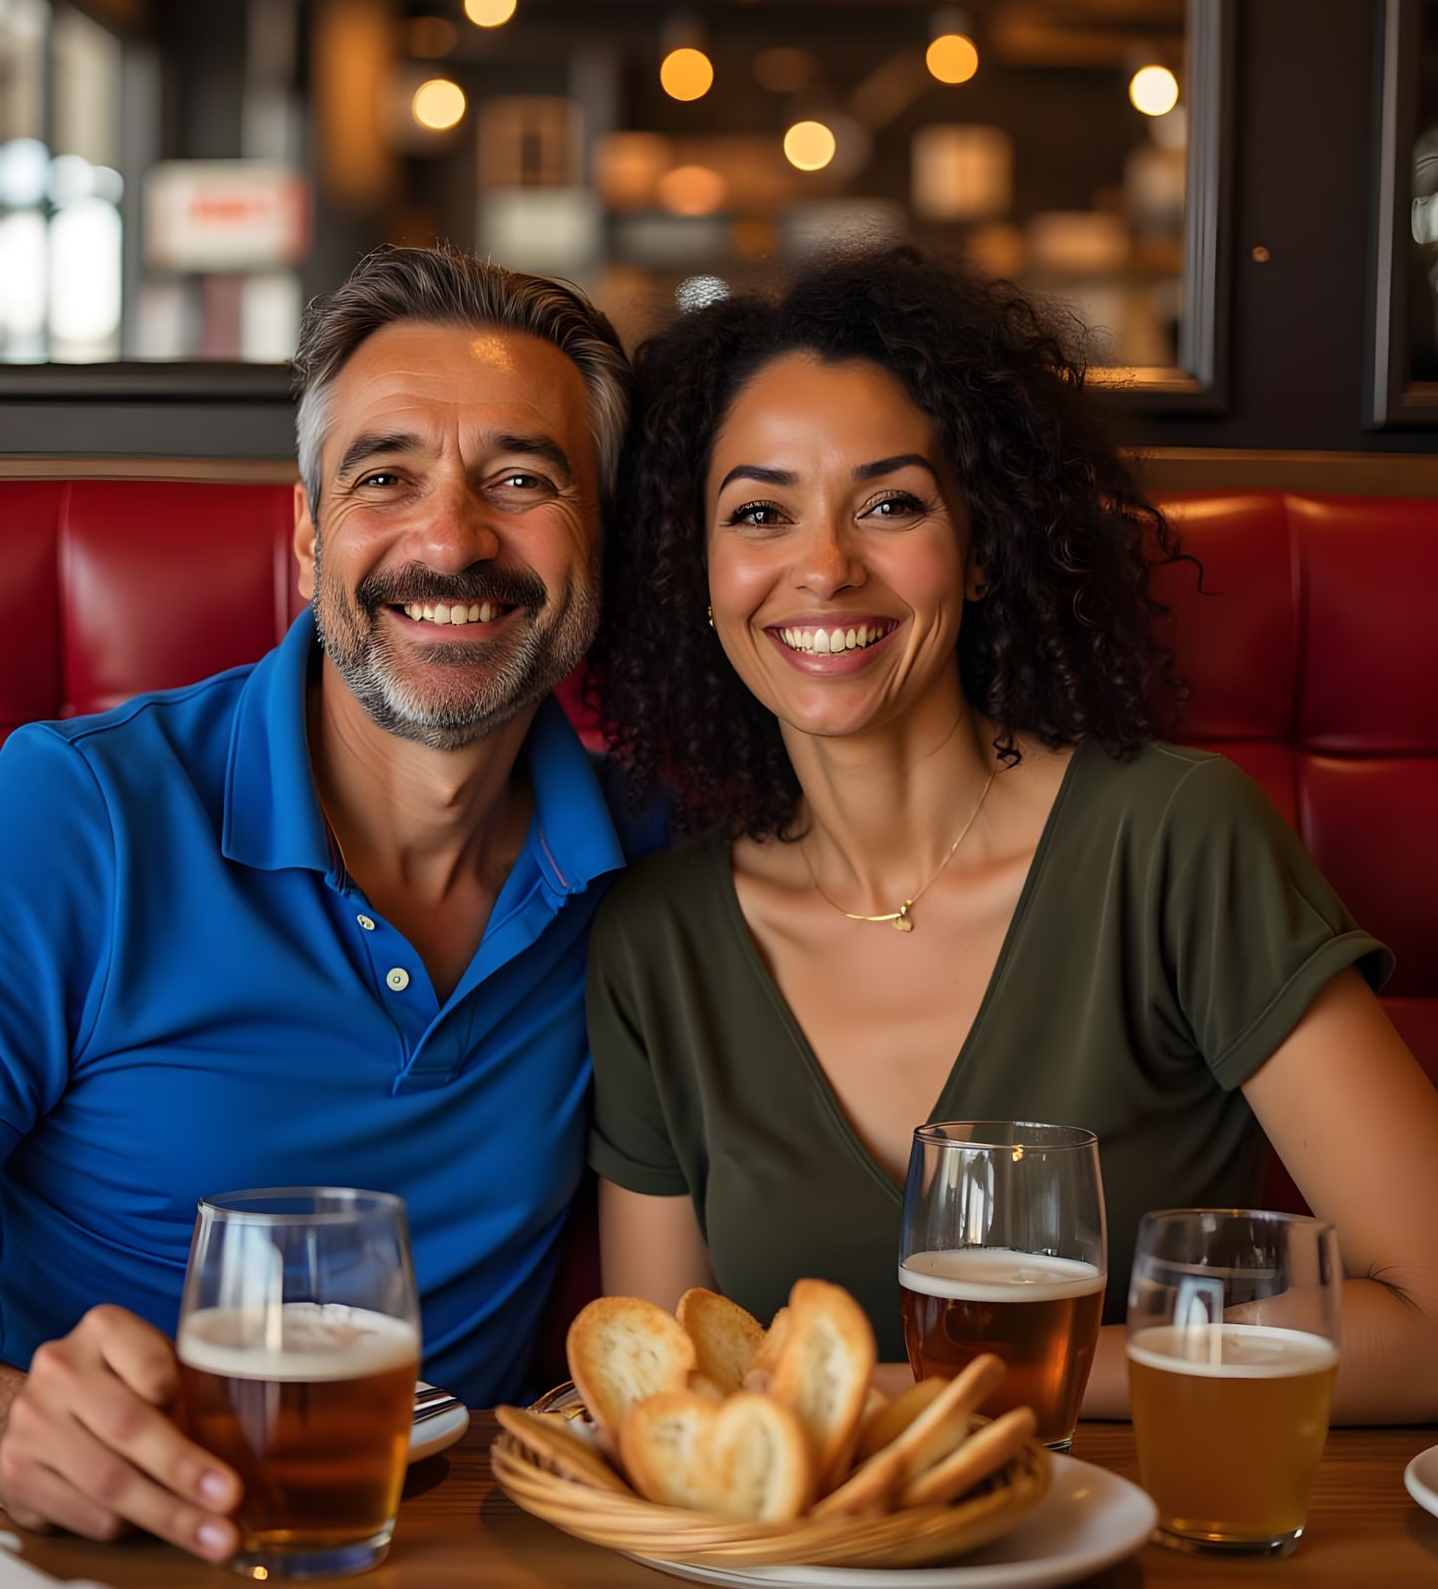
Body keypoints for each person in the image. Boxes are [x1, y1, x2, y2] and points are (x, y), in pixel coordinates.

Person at [0, 245, 654, 1561]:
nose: (451, 539)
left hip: (461, 1552)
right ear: (309, 533)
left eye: (521, 479)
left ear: (598, 538)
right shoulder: (80, 821)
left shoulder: (654, 867)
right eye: (385, 477)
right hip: (91, 1558)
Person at [585, 244, 1438, 1422]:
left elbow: (1429, 1315)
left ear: (982, 548)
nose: (823, 567)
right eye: (759, 513)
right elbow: (661, 1404)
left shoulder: (1172, 843)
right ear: (699, 571)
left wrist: (929, 1392)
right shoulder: (655, 940)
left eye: (890, 504)